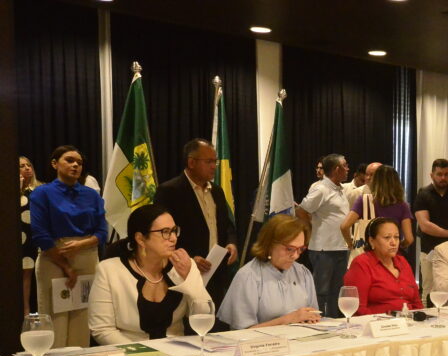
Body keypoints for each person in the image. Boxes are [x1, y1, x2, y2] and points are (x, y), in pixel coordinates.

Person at [88, 205, 210, 344]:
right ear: (140, 239)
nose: (174, 238)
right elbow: (102, 329)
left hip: (177, 353)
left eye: (174, 231)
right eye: (165, 232)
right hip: (130, 354)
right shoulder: (109, 270)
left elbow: (205, 315)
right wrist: (143, 355)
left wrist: (189, 279)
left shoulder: (184, 265)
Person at [29, 146, 107, 348]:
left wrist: (82, 244)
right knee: (55, 318)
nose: (75, 165)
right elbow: (40, 234)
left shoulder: (91, 195)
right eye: (70, 160)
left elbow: (102, 232)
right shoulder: (42, 193)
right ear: (55, 164)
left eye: (79, 163)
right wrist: (66, 266)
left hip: (87, 256)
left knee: (83, 316)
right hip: (54, 257)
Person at [154, 139, 238, 308]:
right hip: (184, 272)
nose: (214, 166)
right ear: (191, 162)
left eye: (215, 161)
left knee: (214, 322)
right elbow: (162, 233)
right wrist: (190, 259)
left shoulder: (217, 191)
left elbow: (227, 224)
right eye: (208, 162)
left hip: (216, 271)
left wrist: (231, 243)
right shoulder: (170, 191)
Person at [218, 215, 321, 329]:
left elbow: (313, 316)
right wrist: (288, 319)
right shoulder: (248, 276)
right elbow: (241, 333)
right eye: (290, 249)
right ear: (270, 244)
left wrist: (311, 318)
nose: (295, 256)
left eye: (300, 249)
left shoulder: (303, 273)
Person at [298, 153, 351, 317]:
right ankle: (316, 321)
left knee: (337, 290)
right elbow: (301, 210)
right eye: (345, 166)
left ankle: (334, 323)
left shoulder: (340, 189)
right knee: (321, 290)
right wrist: (310, 231)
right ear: (336, 169)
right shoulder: (321, 189)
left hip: (340, 247)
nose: (348, 169)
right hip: (323, 248)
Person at [344, 217, 424, 315]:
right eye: (387, 237)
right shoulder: (361, 264)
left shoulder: (402, 261)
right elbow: (357, 309)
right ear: (372, 241)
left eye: (397, 237)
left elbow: (417, 303)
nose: (393, 243)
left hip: (409, 323)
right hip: (377, 325)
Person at [413, 159, 448, 299]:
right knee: (429, 291)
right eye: (439, 174)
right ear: (432, 175)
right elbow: (424, 225)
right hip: (429, 250)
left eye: (446, 174)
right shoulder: (423, 195)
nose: (443, 178)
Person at [341, 164, 414, 252]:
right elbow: (409, 239)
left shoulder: (364, 200)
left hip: (369, 254)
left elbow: (344, 226)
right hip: (392, 256)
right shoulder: (403, 206)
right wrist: (398, 247)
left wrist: (350, 244)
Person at [19, 156, 40, 315]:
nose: (27, 168)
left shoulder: (39, 190)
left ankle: (28, 310)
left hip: (33, 238)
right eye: (21, 166)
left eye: (28, 165)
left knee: (29, 272)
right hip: (17, 237)